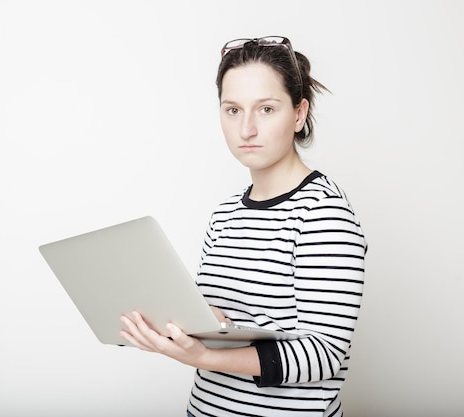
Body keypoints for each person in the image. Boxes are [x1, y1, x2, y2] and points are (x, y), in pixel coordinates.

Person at [119, 36, 367, 417]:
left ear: (299, 114)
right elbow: (230, 320)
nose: (246, 129)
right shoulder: (225, 214)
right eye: (232, 110)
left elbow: (324, 355)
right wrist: (189, 324)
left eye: (266, 109)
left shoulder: (324, 213)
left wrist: (203, 355)